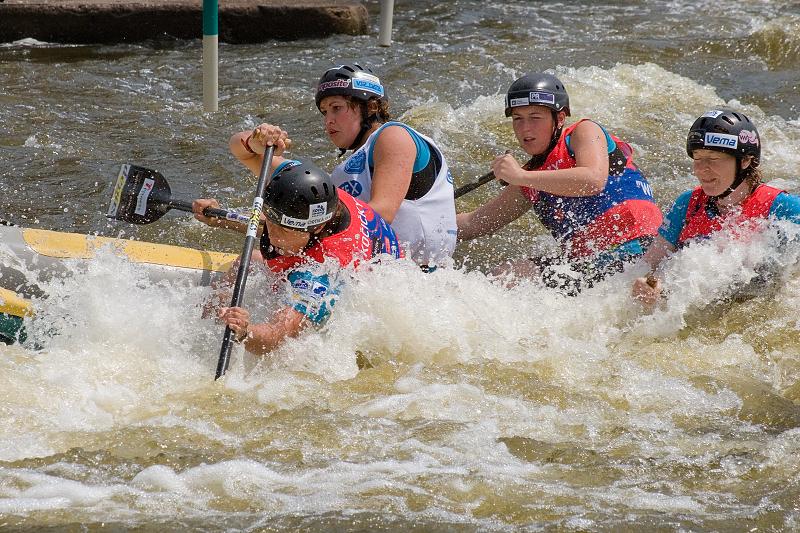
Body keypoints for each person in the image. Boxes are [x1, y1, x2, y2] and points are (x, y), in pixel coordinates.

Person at [229, 63, 457, 269]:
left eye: (336, 108)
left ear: (371, 107)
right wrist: (257, 141)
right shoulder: (336, 176)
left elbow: (381, 214)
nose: (328, 120)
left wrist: (291, 222)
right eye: (324, 112)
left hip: (410, 275)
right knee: (251, 261)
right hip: (370, 271)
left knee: (248, 263)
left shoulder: (393, 135)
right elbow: (241, 150)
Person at [456, 72, 663, 292]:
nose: (525, 128)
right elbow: (475, 223)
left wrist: (521, 176)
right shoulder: (530, 176)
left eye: (535, 117)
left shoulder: (583, 132)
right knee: (505, 275)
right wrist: (430, 217)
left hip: (640, 250)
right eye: (518, 119)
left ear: (560, 118)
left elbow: (593, 180)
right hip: (590, 266)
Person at [193, 159, 402, 356]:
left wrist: (245, 332)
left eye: (284, 230)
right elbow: (242, 147)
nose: (272, 236)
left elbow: (276, 337)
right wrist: (219, 217)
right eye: (271, 223)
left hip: (367, 296)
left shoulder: (322, 270)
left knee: (254, 265)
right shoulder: (310, 194)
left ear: (317, 228)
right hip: (371, 250)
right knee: (245, 262)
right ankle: (206, 319)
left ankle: (216, 322)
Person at [632, 109, 800, 305]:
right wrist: (647, 286)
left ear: (745, 160)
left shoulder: (780, 206)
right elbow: (647, 266)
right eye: (697, 158)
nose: (701, 169)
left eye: (713, 158)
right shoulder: (687, 205)